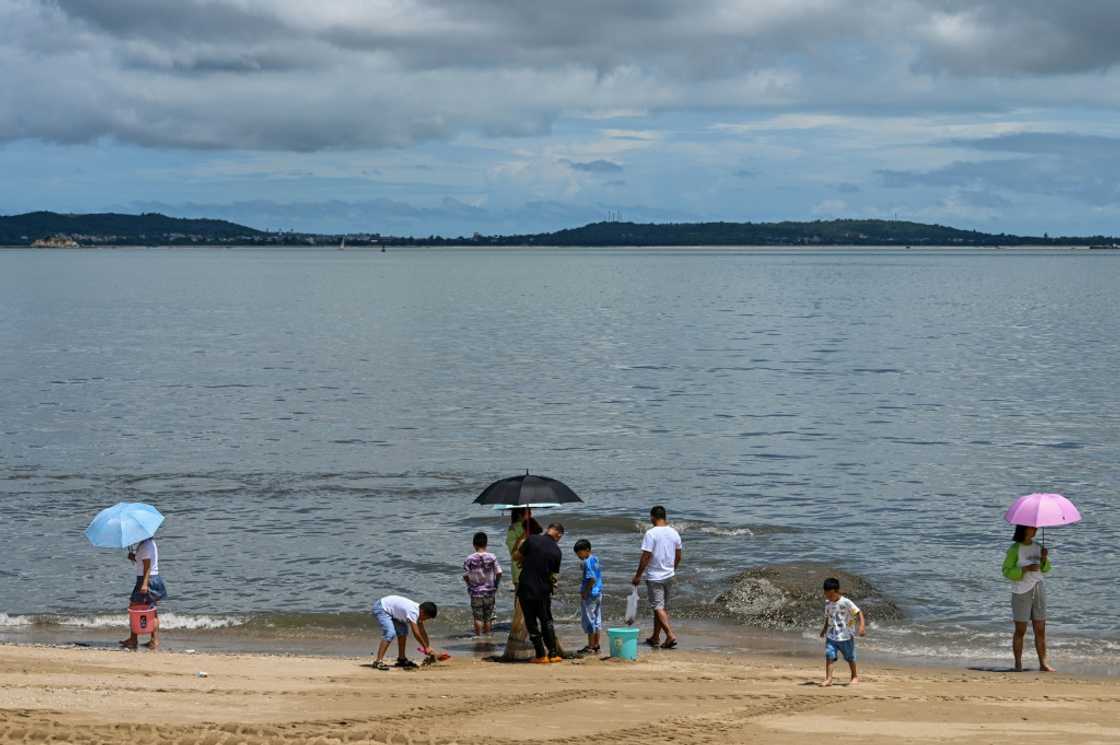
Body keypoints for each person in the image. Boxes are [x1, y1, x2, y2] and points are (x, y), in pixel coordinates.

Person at [1002, 524, 1054, 672]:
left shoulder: (1038, 546)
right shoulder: (1014, 549)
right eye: (1032, 527)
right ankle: (1018, 664)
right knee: (1021, 630)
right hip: (1021, 591)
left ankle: (1043, 663)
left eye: (1036, 527)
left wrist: (1044, 558)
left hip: (1038, 588)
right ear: (1024, 529)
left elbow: (1046, 569)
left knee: (1040, 628)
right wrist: (1025, 569)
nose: (1035, 529)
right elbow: (1006, 571)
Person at [631, 505, 682, 649]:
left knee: (658, 607)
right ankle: (655, 637)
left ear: (652, 517)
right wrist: (672, 569)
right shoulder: (674, 533)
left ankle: (670, 635)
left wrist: (637, 575)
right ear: (664, 517)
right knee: (661, 608)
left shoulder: (651, 533)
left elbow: (646, 557)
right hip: (669, 575)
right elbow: (678, 556)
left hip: (655, 576)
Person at [514, 522, 565, 663]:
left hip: (527, 587)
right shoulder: (557, 551)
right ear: (558, 534)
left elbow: (516, 557)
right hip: (544, 590)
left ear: (549, 530)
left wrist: (521, 544)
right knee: (546, 621)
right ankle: (553, 654)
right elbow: (553, 575)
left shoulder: (532, 539)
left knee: (531, 622)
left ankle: (541, 655)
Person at [120, 536, 167, 650]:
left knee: (133, 607)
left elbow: (147, 566)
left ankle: (134, 639)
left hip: (147, 579)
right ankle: (153, 640)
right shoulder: (148, 543)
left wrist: (145, 584)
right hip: (152, 578)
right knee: (152, 610)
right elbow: (145, 562)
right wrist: (134, 557)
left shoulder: (145, 545)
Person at [371, 595, 438, 671]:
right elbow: (416, 633)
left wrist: (428, 647)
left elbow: (422, 631)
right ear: (422, 612)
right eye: (427, 618)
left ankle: (401, 659)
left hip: (393, 612)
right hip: (381, 608)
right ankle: (378, 661)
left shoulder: (419, 612)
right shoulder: (413, 612)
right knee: (390, 633)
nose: (426, 620)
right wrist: (425, 647)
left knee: (403, 631)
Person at [819, 577, 865, 686]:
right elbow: (828, 617)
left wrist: (862, 626)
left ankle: (854, 676)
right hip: (831, 635)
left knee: (850, 657)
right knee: (829, 655)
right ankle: (828, 679)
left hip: (846, 636)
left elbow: (859, 612)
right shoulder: (828, 603)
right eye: (826, 595)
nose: (828, 597)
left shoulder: (846, 602)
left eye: (830, 595)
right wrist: (824, 629)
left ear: (836, 591)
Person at [463, 531, 503, 636]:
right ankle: (488, 635)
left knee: (478, 617)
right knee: (488, 617)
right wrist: (496, 584)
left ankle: (478, 636)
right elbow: (499, 572)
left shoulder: (469, 559)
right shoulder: (492, 557)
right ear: (486, 544)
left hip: (476, 592)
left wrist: (469, 584)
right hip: (489, 592)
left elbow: (465, 575)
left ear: (474, 544)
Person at [574, 538, 603, 655]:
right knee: (597, 619)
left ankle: (590, 646)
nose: (578, 556)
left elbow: (591, 579)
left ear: (586, 550)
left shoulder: (587, 562)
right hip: (598, 592)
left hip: (590, 594)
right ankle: (596, 645)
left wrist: (585, 591)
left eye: (579, 553)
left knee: (589, 620)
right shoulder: (595, 559)